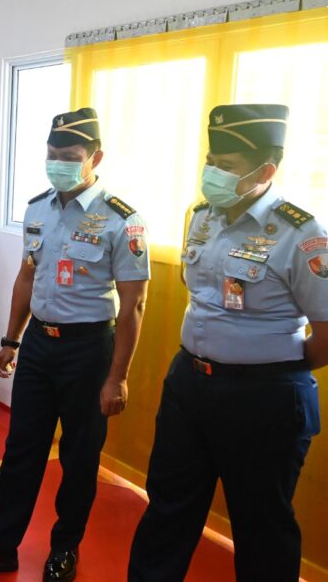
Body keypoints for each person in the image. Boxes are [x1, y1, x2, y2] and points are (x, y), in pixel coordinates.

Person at [0, 108, 150, 581]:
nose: (58, 164)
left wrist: (117, 377)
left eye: (70, 156)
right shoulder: (38, 208)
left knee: (80, 457)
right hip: (39, 343)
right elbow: (27, 276)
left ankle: (64, 548)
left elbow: (134, 304)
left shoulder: (122, 220)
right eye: (52, 154)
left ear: (96, 158)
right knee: (21, 450)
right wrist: (11, 339)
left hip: (89, 349)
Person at [129, 104, 326, 582]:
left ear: (266, 171)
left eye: (227, 166)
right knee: (167, 508)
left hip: (264, 397)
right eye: (210, 160)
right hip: (190, 384)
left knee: (261, 527)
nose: (212, 173)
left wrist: (271, 367)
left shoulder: (302, 234)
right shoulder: (201, 216)